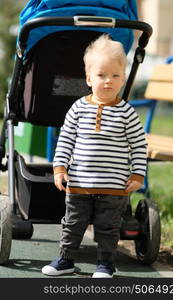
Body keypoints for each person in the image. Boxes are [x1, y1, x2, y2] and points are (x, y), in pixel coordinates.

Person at [42, 34, 147, 278]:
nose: (108, 81)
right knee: (72, 224)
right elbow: (66, 139)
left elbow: (139, 145)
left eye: (115, 76)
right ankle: (65, 259)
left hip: (113, 187)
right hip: (79, 183)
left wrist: (138, 174)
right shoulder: (78, 108)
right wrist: (60, 168)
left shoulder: (126, 113)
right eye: (101, 75)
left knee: (108, 227)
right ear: (89, 78)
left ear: (123, 79)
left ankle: (106, 264)